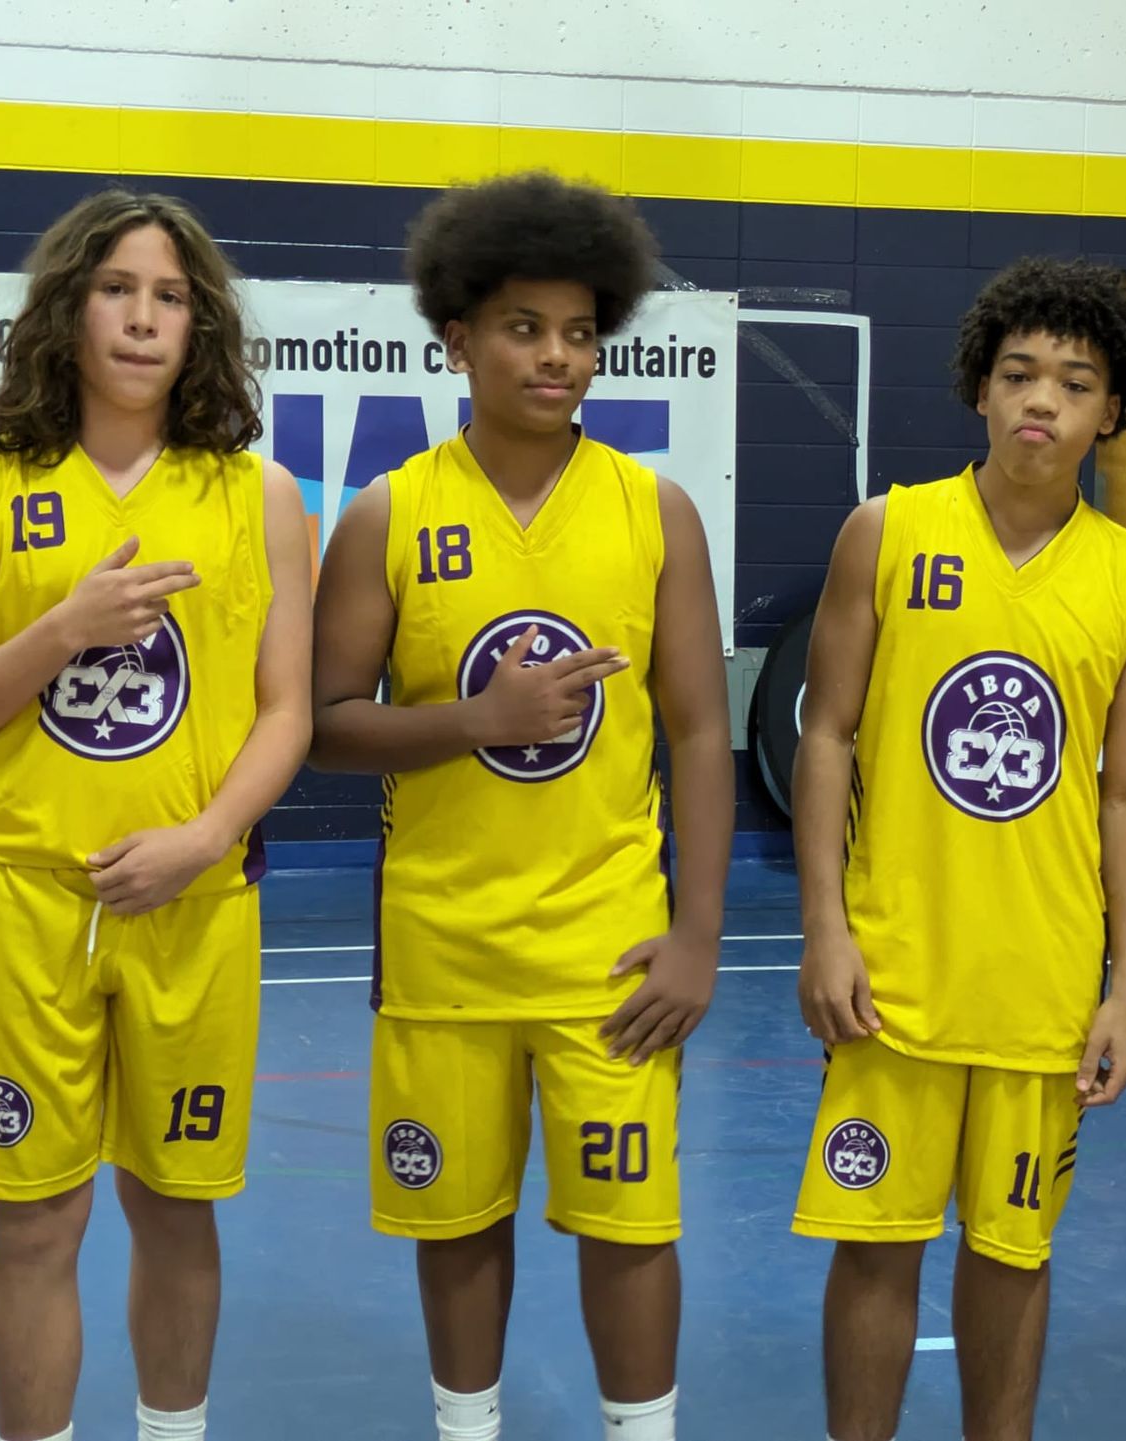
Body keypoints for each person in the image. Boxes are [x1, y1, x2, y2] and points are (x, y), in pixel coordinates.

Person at [307, 170, 734, 1441]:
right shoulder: (391, 512)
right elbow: (323, 725)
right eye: (525, 327)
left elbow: (700, 731)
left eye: (580, 331)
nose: (558, 356)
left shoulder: (655, 510)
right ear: (458, 340)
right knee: (457, 1222)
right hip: (444, 946)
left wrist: (699, 933)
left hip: (609, 948)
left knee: (632, 1225)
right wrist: (475, 720)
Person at [0, 189, 313, 1441]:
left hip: (196, 898)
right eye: (117, 290)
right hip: (21, 900)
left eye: (171, 297)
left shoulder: (259, 495)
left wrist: (207, 836)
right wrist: (62, 629)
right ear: (67, 310)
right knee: (35, 1219)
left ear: (200, 326)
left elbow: (287, 710)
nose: (142, 318)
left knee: (178, 1206)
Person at [791, 257, 1126, 1441]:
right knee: (874, 1246)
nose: (1041, 399)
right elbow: (827, 734)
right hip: (895, 977)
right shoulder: (888, 531)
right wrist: (824, 929)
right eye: (1019, 373)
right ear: (980, 388)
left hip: (1041, 985)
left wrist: (1125, 989)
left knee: (1014, 1250)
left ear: (1112, 410)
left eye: (1075, 381)